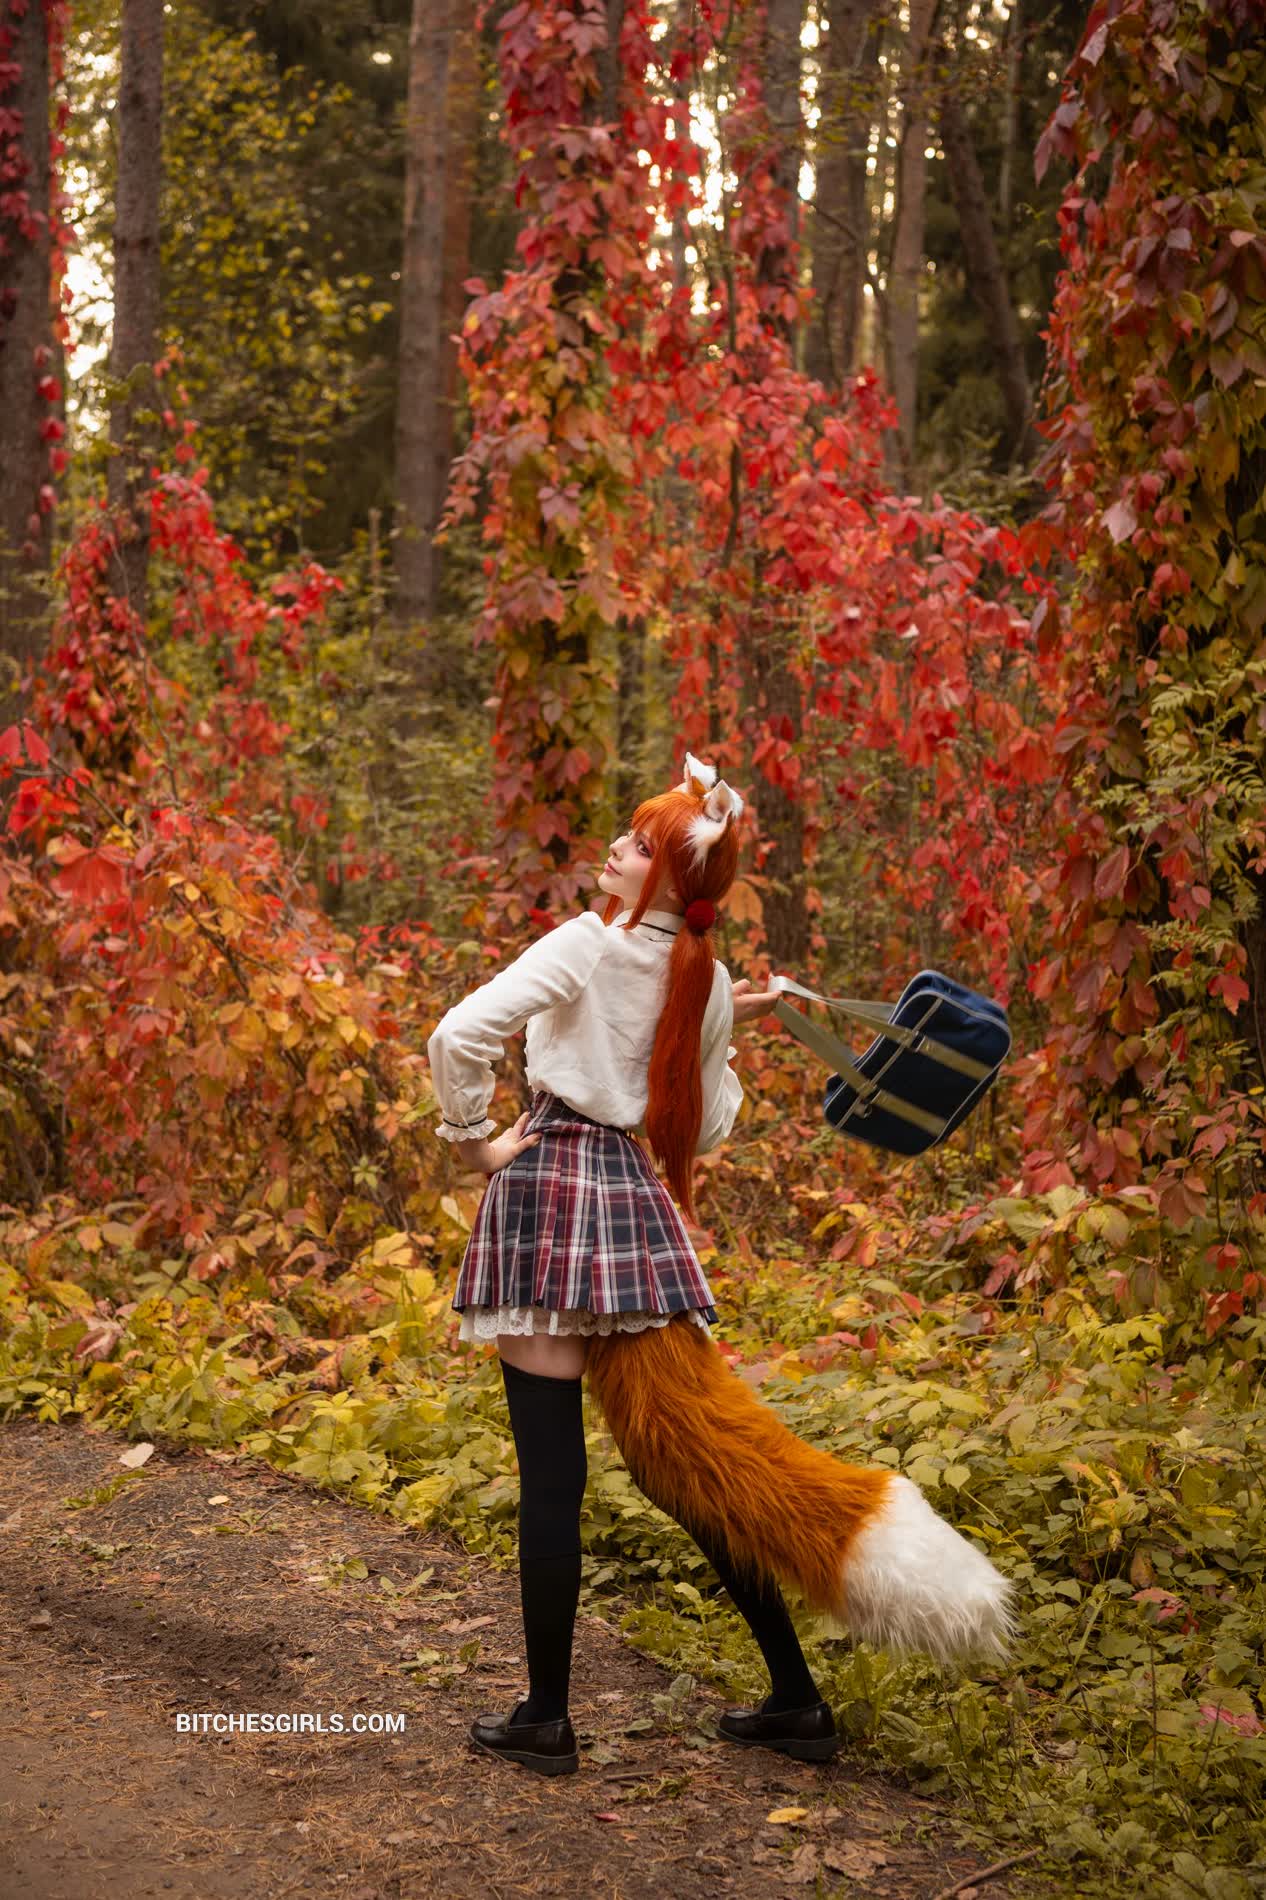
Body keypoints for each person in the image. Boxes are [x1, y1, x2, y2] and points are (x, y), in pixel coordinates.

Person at [426, 753, 1011, 1778]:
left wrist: (473, 1141)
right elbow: (703, 1125)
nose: (616, 847)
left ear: (662, 875)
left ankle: (546, 1718)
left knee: (555, 1479)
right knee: (690, 1464)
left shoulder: (587, 941)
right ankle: (797, 1698)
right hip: (632, 1216)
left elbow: (457, 1034)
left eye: (638, 842)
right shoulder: (700, 980)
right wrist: (732, 1020)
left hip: (550, 1197)